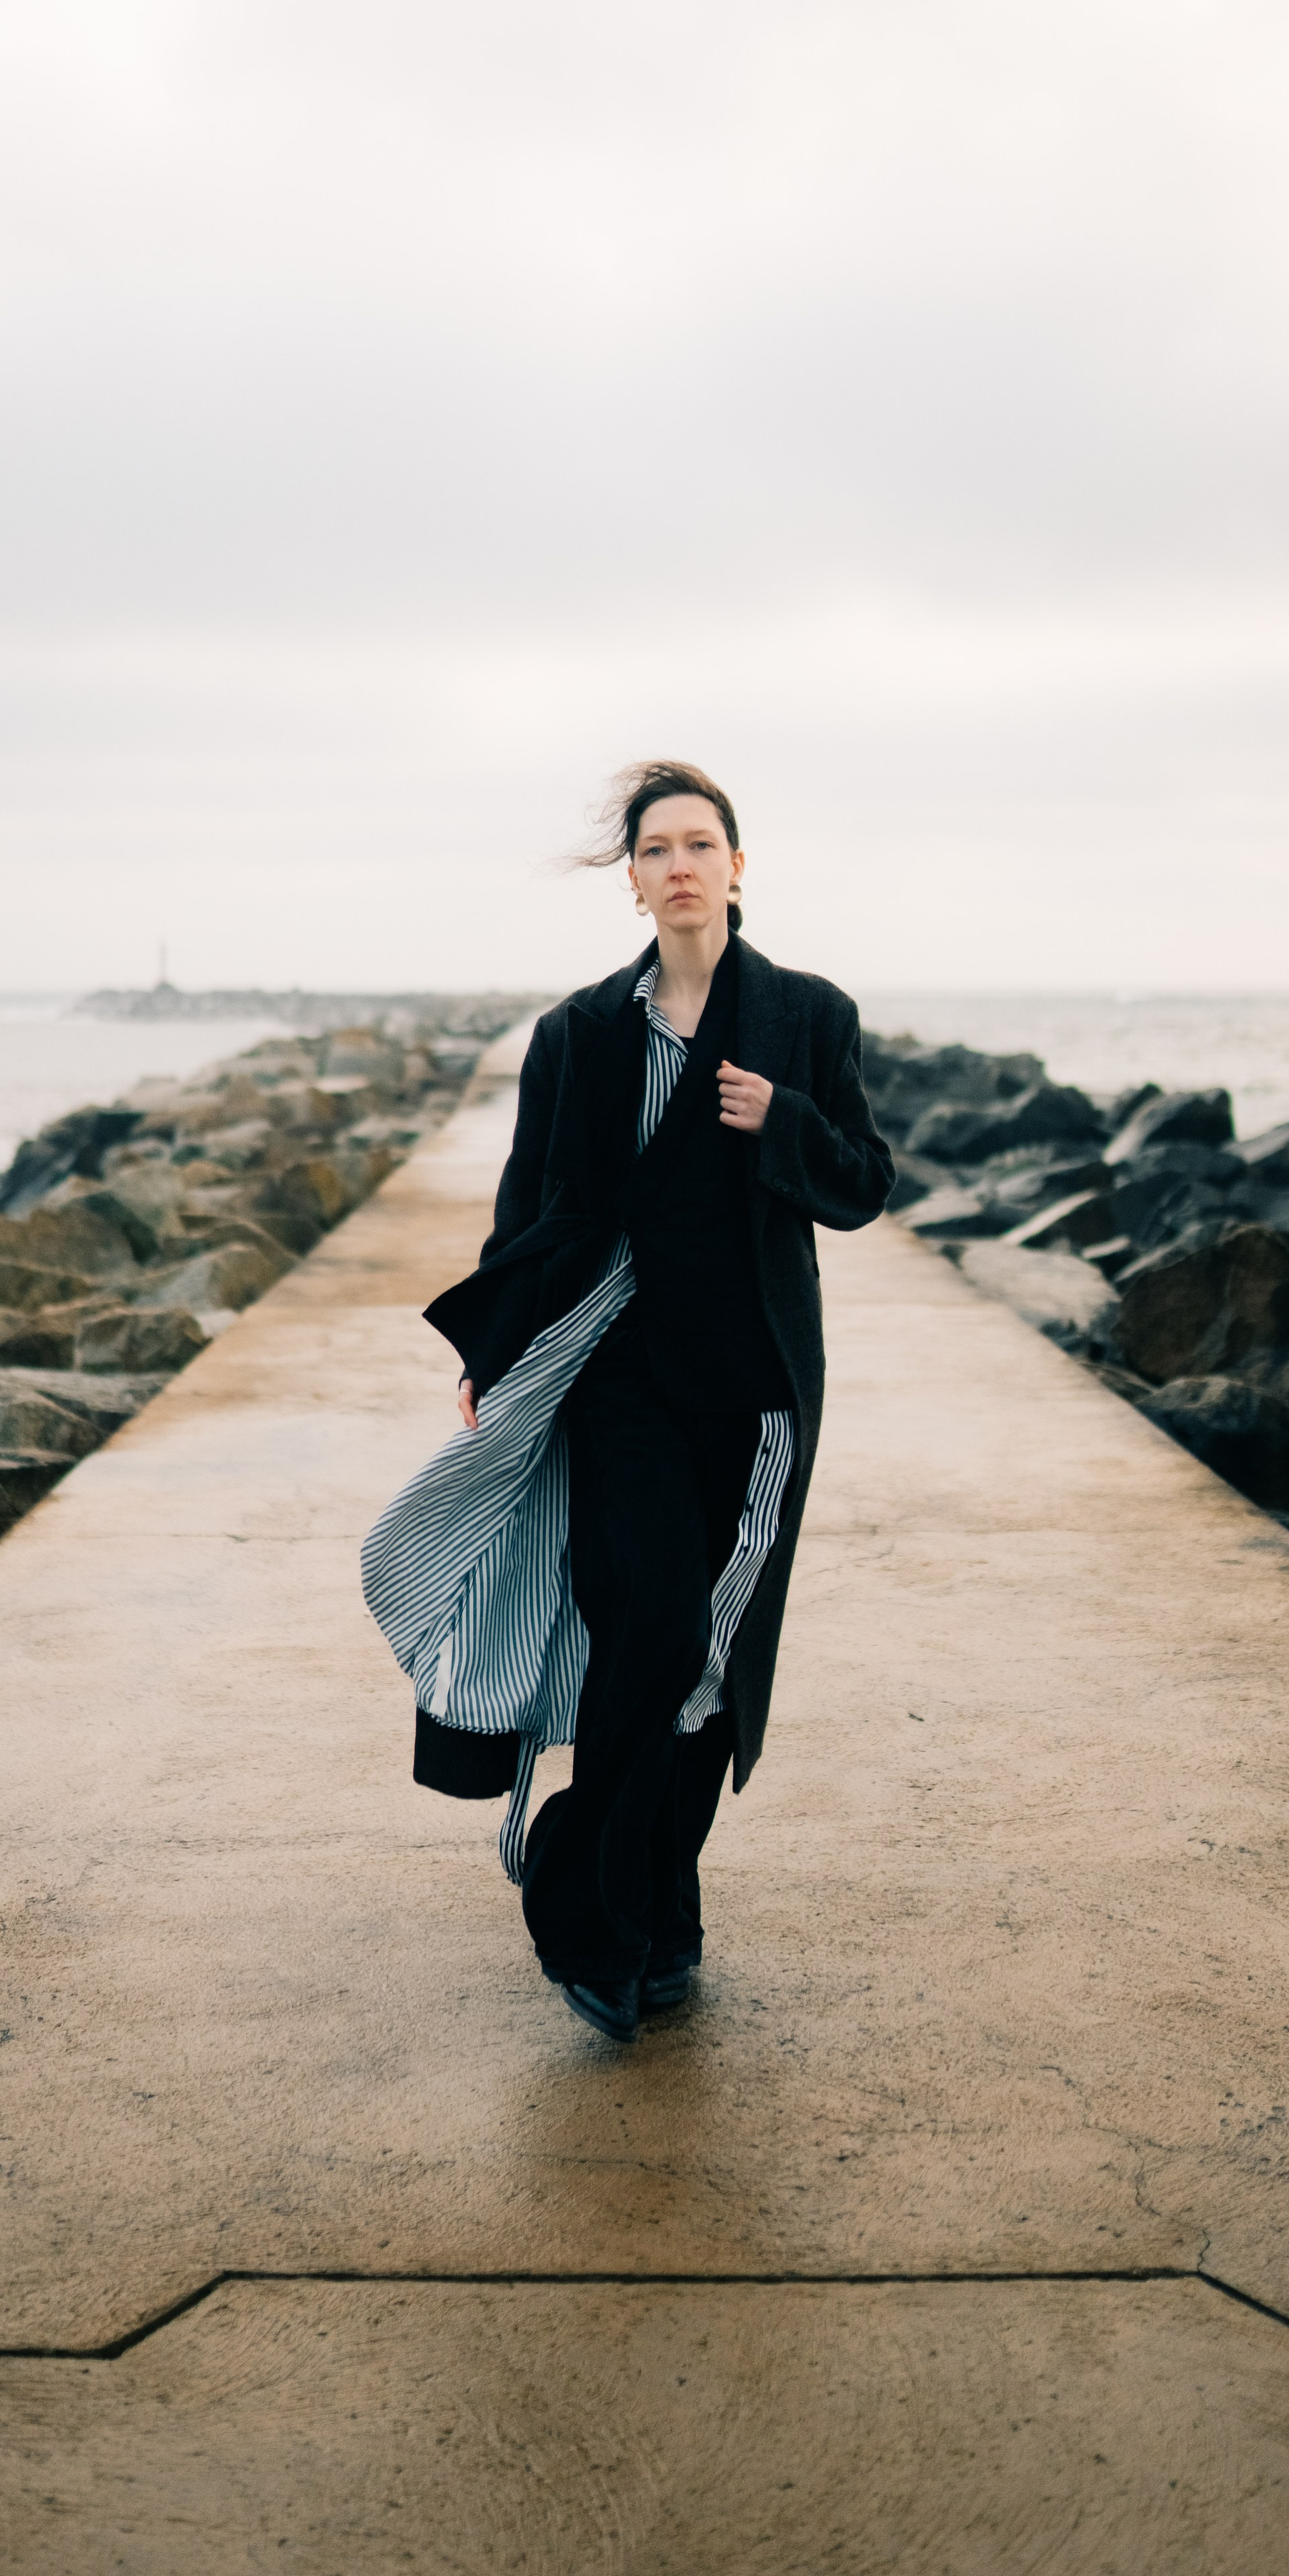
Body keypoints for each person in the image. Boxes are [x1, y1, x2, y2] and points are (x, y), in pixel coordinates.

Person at [361, 762, 893, 2043]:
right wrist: (495, 1351)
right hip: (617, 1386)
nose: (681, 865)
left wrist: (783, 1121)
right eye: (656, 848)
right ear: (636, 878)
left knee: (706, 1662)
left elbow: (864, 1183)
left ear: (738, 867)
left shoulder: (808, 1017)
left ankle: (666, 1909)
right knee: (644, 1633)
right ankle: (591, 1912)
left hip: (756, 1393)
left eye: (701, 843)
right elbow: (531, 1202)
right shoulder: (581, 1033)